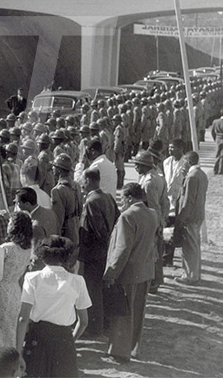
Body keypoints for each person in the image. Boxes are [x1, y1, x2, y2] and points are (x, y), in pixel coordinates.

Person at [16, 236, 90, 378]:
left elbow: (23, 318)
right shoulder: (77, 281)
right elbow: (84, 321)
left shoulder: (32, 278)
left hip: (37, 338)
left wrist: (19, 352)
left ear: (42, 256)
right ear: (65, 257)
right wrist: (71, 340)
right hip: (64, 339)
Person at [103, 183, 159, 364]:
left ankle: (119, 352)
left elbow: (122, 249)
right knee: (138, 312)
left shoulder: (127, 217)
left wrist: (111, 272)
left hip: (128, 273)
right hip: (145, 271)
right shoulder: (152, 214)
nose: (122, 203)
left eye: (123, 200)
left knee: (123, 313)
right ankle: (134, 347)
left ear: (128, 198)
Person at [77, 167, 120, 337]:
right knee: (100, 289)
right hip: (104, 252)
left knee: (92, 290)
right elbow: (117, 219)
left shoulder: (92, 202)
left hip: (94, 253)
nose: (82, 184)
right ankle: (103, 323)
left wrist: (104, 243)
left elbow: (99, 230)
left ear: (88, 180)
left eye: (83, 181)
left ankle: (94, 327)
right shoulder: (108, 196)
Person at [0, 212, 33, 348]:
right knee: (11, 328)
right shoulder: (27, 249)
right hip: (15, 289)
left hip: (1, 289)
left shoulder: (6, 248)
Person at [131, 150, 167, 292]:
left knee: (150, 253)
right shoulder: (157, 176)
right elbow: (165, 202)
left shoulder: (149, 183)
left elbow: (153, 206)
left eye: (138, 165)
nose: (135, 168)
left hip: (151, 221)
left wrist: (155, 225)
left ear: (145, 165)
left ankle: (152, 282)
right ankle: (155, 281)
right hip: (157, 219)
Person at [175, 151, 207, 285]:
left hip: (190, 217)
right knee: (195, 245)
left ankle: (190, 276)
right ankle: (194, 273)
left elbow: (188, 201)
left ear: (188, 162)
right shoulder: (201, 174)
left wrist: (181, 218)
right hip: (198, 215)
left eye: (184, 162)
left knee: (189, 247)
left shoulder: (192, 177)